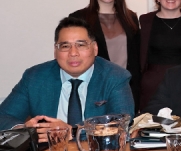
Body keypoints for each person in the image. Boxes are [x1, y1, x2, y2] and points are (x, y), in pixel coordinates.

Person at [0, 17, 134, 141]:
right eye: (65, 46)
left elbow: (121, 124)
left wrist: (72, 132)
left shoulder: (115, 77)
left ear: (95, 48)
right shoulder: (35, 77)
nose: (73, 53)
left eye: (81, 45)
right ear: (55, 51)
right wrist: (22, 130)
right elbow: (3, 116)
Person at [70, 0, 140, 109]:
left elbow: (136, 58)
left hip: (125, 88)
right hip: (93, 88)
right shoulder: (79, 18)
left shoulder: (131, 17)